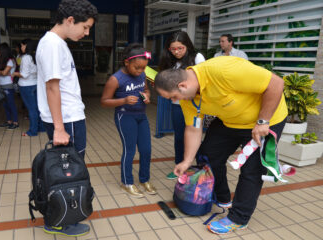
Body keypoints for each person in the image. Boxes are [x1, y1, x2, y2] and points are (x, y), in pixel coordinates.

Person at [154, 56, 287, 234]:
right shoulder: (188, 99)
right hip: (230, 120)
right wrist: (186, 161)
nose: (173, 101)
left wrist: (263, 120)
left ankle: (238, 218)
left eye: (173, 97)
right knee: (208, 156)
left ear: (182, 86)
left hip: (264, 120)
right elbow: (193, 129)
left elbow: (276, 84)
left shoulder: (223, 71)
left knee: (252, 170)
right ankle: (224, 198)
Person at [36, 0, 97, 236]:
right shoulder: (52, 45)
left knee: (69, 168)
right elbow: (52, 88)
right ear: (70, 20)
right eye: (85, 27)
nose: (86, 32)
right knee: (68, 170)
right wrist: (60, 129)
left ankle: (63, 214)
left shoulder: (57, 43)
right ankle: (59, 220)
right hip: (66, 120)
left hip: (71, 117)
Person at [101, 43, 156, 198]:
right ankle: (127, 182)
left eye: (143, 68)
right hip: (125, 116)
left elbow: (146, 89)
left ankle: (144, 180)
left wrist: (147, 96)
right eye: (137, 67)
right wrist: (123, 101)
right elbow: (104, 101)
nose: (140, 71)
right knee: (130, 150)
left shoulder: (142, 74)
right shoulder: (115, 79)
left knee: (146, 150)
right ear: (127, 62)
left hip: (141, 116)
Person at [158, 31, 205, 180]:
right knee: (179, 137)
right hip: (177, 105)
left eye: (180, 48)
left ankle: (200, 167)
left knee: (194, 135)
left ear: (187, 46)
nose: (177, 52)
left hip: (195, 105)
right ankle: (180, 166)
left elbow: (204, 80)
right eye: (173, 49)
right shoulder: (170, 61)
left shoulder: (197, 57)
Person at [11, 39, 44, 136]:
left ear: (27, 46)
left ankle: (33, 131)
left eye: (22, 46)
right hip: (35, 84)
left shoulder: (26, 58)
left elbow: (24, 74)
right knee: (37, 108)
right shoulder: (37, 56)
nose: (21, 48)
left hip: (26, 86)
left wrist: (14, 73)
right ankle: (41, 128)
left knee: (31, 109)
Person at [0, 43, 19, 130]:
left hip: (8, 85)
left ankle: (15, 122)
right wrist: (0, 72)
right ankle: (9, 121)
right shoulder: (1, 60)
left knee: (11, 103)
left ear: (2, 50)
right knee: (5, 104)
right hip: (1, 84)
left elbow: (3, 73)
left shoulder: (10, 60)